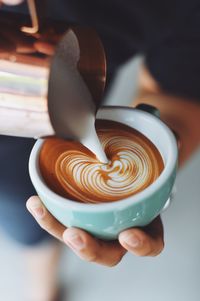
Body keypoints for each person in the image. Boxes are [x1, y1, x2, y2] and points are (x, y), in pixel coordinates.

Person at [1, 0, 200, 300]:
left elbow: (176, 93)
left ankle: (42, 285)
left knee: (30, 228)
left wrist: (151, 181)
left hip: (39, 153)